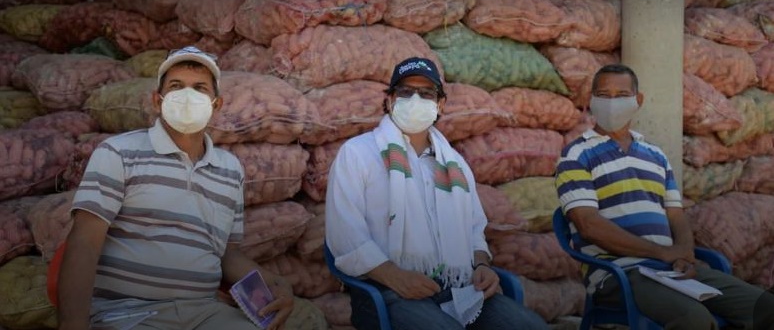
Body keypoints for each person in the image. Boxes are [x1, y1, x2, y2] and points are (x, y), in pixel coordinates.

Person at [57, 46, 294, 330]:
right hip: (129, 314)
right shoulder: (118, 152)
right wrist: (73, 324)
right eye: (176, 86)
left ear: (216, 105)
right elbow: (84, 241)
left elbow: (226, 254)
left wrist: (275, 284)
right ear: (158, 101)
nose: (187, 96)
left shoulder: (230, 170)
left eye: (200, 88)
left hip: (205, 313)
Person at [325, 56, 549, 330]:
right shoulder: (358, 154)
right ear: (390, 100)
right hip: (389, 294)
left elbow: (474, 230)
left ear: (440, 104)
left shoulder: (454, 164)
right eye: (405, 92)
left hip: (460, 290)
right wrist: (394, 277)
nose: (415, 100)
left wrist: (481, 266)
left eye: (426, 93)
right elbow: (345, 235)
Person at [555, 63, 769, 329]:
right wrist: (662, 253)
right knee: (694, 319)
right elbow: (588, 226)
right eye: (603, 95)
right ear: (591, 100)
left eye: (621, 96)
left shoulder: (655, 155)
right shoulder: (576, 155)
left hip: (668, 270)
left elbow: (676, 216)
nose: (611, 103)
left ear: (638, 100)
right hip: (618, 274)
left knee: (763, 307)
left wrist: (683, 254)